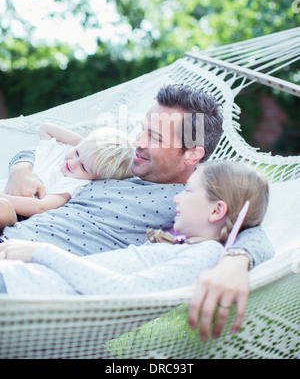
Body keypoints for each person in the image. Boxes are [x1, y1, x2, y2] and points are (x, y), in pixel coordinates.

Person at [1, 84, 274, 339]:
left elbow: (249, 220)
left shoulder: (193, 200)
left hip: (29, 276)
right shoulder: (127, 164)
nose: (137, 141)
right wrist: (21, 167)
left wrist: (236, 261)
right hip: (11, 231)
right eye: (142, 129)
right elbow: (60, 151)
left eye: (153, 137)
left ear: (191, 155)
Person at [0, 161, 269, 300]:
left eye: (187, 191)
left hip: (22, 289)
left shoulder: (207, 254)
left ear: (216, 211)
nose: (176, 198)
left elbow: (126, 293)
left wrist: (42, 252)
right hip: (22, 280)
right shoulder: (187, 247)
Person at [0, 123, 134, 229]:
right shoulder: (58, 151)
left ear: (97, 178)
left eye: (83, 167)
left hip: (15, 211)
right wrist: (83, 144)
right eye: (77, 153)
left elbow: (41, 207)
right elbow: (45, 128)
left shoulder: (73, 183)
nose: (73, 163)